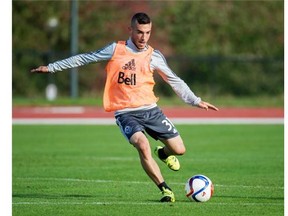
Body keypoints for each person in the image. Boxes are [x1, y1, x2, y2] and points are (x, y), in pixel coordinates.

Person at [31, 12, 219, 202]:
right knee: (143, 145)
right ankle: (165, 190)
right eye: (139, 32)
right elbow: (85, 58)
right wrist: (52, 67)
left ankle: (163, 153)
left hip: (151, 110)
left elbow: (174, 80)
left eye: (148, 32)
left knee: (179, 150)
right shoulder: (115, 49)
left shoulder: (154, 55)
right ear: (130, 30)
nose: (143, 37)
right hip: (126, 113)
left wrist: (195, 100)